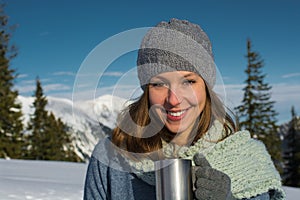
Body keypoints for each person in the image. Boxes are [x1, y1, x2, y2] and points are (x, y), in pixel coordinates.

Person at [83, 18, 285, 200]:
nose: (174, 99)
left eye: (188, 82)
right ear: (146, 90)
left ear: (206, 86)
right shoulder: (111, 157)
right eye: (159, 84)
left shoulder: (248, 160)